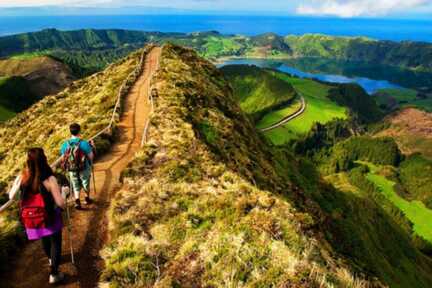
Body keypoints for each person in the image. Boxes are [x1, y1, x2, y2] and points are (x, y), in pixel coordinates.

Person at [19, 148, 65, 284]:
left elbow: (11, 195)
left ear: (28, 162)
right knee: (55, 243)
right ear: (44, 159)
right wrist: (64, 193)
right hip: (50, 216)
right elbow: (60, 204)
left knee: (45, 239)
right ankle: (54, 274)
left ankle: (51, 260)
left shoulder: (24, 177)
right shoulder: (50, 179)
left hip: (34, 219)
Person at [60, 123, 94, 210]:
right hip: (84, 167)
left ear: (70, 132)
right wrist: (92, 146)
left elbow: (64, 157)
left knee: (75, 184)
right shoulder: (84, 143)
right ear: (79, 131)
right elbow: (91, 156)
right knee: (85, 182)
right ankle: (87, 198)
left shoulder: (65, 145)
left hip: (71, 168)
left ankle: (77, 201)